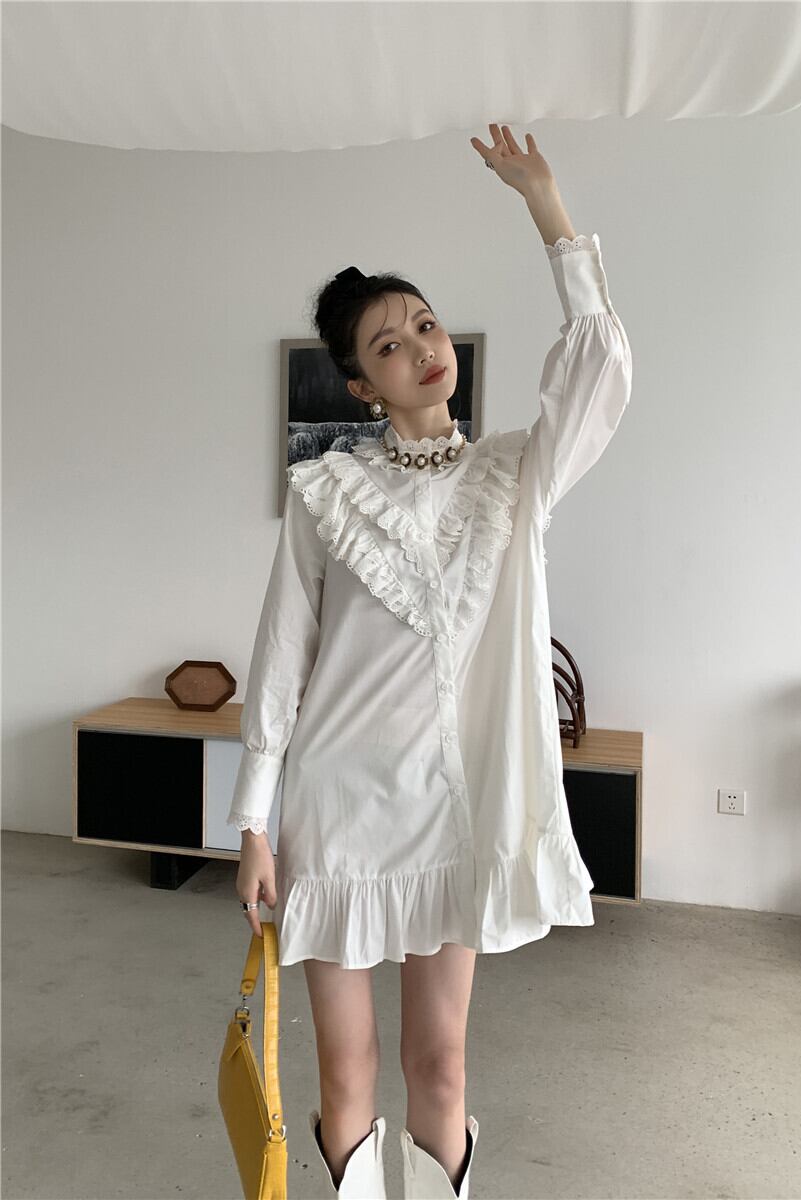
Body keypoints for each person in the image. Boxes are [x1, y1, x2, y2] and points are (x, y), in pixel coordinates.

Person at [227, 123, 633, 1199]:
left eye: (424, 324)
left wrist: (545, 205)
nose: (418, 348)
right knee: (346, 1071)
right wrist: (255, 822)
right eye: (388, 347)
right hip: (340, 808)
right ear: (363, 386)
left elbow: (599, 367)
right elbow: (282, 656)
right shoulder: (327, 491)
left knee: (439, 1065)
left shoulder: (516, 473)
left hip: (455, 813)